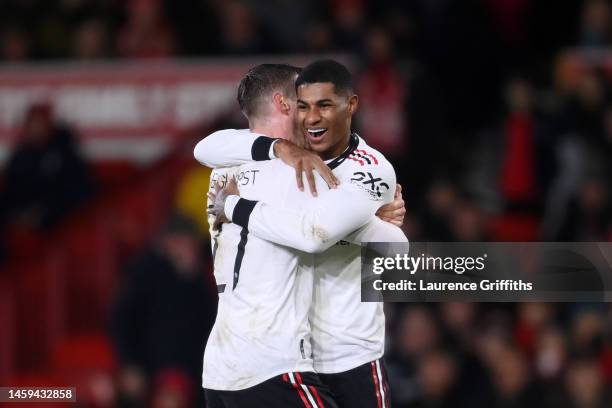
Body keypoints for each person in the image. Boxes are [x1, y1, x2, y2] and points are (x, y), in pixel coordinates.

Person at [198, 60, 406, 408]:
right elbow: (389, 248)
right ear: (285, 104)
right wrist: (373, 221)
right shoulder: (294, 175)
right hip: (277, 358)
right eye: (303, 101)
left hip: (236, 360)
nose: (311, 115)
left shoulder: (225, 170)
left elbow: (203, 147)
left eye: (322, 104)